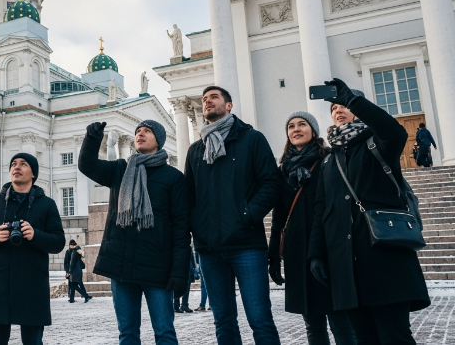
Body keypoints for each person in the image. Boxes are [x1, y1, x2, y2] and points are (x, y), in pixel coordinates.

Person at [308, 78, 430, 344]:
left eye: (344, 105)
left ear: (357, 107)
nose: (338, 110)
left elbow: (396, 132)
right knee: (364, 339)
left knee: (394, 336)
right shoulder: (330, 159)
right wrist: (316, 253)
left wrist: (352, 98)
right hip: (346, 265)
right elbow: (321, 209)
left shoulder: (377, 144)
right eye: (333, 108)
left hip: (385, 257)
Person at [183, 86, 282, 344]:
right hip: (209, 248)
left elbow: (272, 183)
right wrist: (197, 226)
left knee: (260, 320)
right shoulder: (195, 150)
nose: (207, 102)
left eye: (214, 97)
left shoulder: (251, 139)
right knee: (223, 322)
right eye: (204, 99)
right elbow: (188, 197)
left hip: (246, 244)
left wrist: (247, 215)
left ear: (229, 106)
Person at [79, 120, 190, 345]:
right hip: (122, 266)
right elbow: (87, 165)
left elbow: (181, 228)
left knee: (164, 332)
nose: (140, 134)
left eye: (147, 131)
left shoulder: (173, 177)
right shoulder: (120, 169)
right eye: (138, 131)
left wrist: (180, 272)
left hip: (157, 268)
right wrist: (92, 139)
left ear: (159, 140)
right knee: (128, 333)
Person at [268, 112, 356, 345]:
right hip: (297, 251)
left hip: (327, 247)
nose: (296, 129)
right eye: (291, 126)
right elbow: (279, 215)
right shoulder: (283, 169)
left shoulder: (329, 159)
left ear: (313, 130)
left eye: (302, 124)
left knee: (341, 320)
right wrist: (274, 257)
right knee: (312, 324)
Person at [0, 153, 65, 345]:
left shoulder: (47, 204)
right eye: (14, 164)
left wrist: (35, 235)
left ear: (33, 173)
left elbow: (58, 242)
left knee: (33, 341)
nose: (17, 167)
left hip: (32, 281)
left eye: (23, 164)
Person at [64, 239, 92, 304]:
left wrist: (69, 272)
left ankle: (85, 296)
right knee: (74, 285)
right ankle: (71, 299)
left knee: (74, 286)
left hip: (74, 272)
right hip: (78, 271)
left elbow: (72, 263)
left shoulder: (74, 252)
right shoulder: (78, 252)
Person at [173, 244, 196, 313]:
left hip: (186, 269)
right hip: (183, 269)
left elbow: (192, 259)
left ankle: (180, 305)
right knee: (182, 287)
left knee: (184, 287)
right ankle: (181, 305)